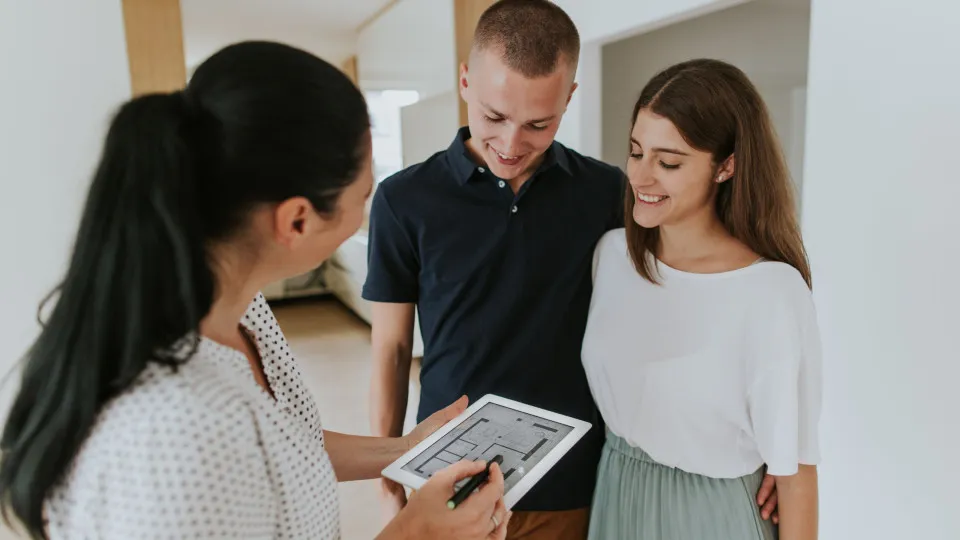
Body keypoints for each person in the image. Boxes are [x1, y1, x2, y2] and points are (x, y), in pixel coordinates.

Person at [0, 41, 511, 540]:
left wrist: (404, 449)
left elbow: (286, 450)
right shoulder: (173, 436)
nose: (371, 204)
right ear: (297, 220)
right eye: (364, 192)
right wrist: (415, 532)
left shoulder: (246, 313)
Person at [362, 1, 782, 538]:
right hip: (449, 475)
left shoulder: (610, 193)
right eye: (494, 117)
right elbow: (392, 349)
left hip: (577, 483)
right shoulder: (403, 200)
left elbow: (692, 300)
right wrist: (385, 471)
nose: (511, 145)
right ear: (465, 81)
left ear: (569, 98)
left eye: (539, 123)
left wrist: (765, 444)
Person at [581, 58, 822, 540]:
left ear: (726, 165)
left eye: (668, 162)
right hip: (615, 492)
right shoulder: (612, 256)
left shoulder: (771, 292)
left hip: (710, 515)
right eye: (635, 152)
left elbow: (796, 476)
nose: (641, 177)